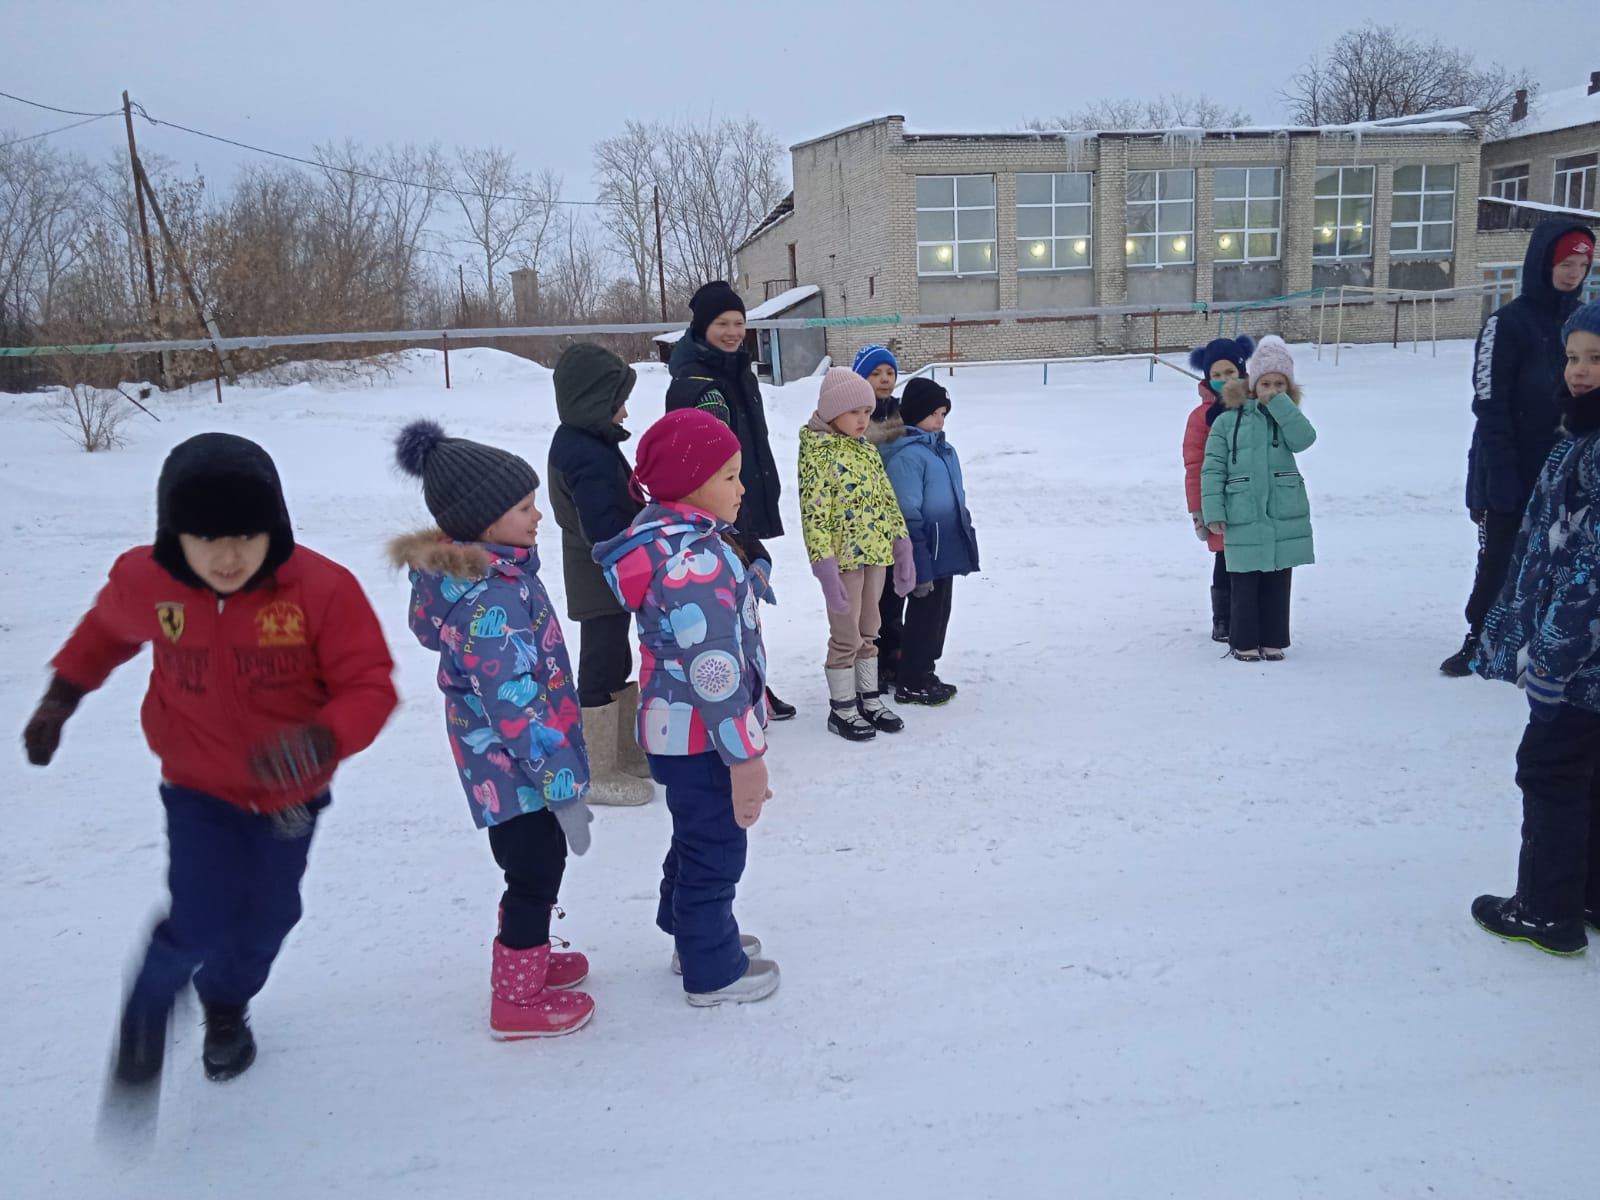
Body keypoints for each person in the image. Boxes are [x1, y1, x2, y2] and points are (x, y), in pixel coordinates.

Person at [21, 433, 398, 1088]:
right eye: (207, 539)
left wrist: (321, 738)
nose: (228, 556)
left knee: (270, 916)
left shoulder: (321, 590)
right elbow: (104, 634)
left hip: (291, 795)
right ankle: (149, 1008)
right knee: (200, 911)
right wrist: (61, 697)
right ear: (175, 536)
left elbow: (369, 684)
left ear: (274, 529)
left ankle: (226, 1002)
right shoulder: (148, 582)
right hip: (198, 787)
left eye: (246, 537)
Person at [391, 420, 597, 1039]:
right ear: (482, 522)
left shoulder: (499, 576)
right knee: (534, 870)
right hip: (516, 770)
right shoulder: (490, 599)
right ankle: (516, 999)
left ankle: (525, 961)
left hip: (509, 768)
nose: (538, 516)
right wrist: (561, 785)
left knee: (532, 867)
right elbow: (517, 709)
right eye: (524, 507)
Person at [592, 408, 781, 1006]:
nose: (742, 487)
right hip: (706, 735)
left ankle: (693, 935)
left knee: (694, 838)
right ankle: (712, 968)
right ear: (689, 485)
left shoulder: (674, 541)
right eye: (729, 476)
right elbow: (716, 672)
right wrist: (745, 758)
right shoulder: (694, 563)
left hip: (676, 732)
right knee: (718, 847)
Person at [1470, 299, 1600, 956]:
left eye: (1596, 357)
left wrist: (1552, 658)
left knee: (1548, 769)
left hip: (1582, 663)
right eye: (1574, 356)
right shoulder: (1580, 433)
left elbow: (1590, 572)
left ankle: (1547, 910)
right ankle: (1586, 892)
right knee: (1589, 769)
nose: (1580, 370)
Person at [1443, 221, 1595, 676]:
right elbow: (1489, 404)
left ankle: (1541, 644)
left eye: (1583, 265)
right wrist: (1503, 472)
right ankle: (1478, 637)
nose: (1573, 273)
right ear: (1542, 263)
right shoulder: (1506, 323)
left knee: (1562, 557)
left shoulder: (1584, 322)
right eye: (1565, 263)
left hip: (1568, 467)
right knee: (1500, 558)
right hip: (1506, 466)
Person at [665, 281, 794, 720]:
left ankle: (753, 678)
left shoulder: (738, 368)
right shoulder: (693, 378)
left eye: (740, 323)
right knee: (721, 600)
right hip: (714, 505)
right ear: (702, 327)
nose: (734, 331)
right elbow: (690, 458)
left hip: (743, 493)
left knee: (745, 596)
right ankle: (732, 687)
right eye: (723, 323)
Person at [547, 342, 653, 806]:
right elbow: (603, 528)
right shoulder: (585, 453)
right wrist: (644, 527)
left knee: (615, 661)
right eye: (618, 401)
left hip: (607, 574)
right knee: (599, 663)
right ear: (595, 400)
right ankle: (594, 768)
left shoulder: (589, 442)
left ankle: (622, 751)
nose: (626, 411)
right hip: (600, 574)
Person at [799, 368, 915, 740]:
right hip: (843, 560)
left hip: (875, 554)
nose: (863, 419)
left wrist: (902, 544)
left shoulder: (867, 451)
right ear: (833, 412)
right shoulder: (817, 451)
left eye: (867, 411)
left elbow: (887, 500)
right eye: (854, 412)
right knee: (846, 635)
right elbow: (813, 513)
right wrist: (824, 566)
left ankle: (868, 696)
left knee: (870, 630)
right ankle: (842, 707)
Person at [1200, 335, 1317, 662]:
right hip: (1242, 510)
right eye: (1266, 382)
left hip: (1282, 509)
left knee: (1278, 578)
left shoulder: (1286, 417)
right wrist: (1213, 510)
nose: (1273, 389)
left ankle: (1274, 638)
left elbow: (1305, 439)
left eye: (1280, 384)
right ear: (1252, 384)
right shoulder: (1227, 420)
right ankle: (1244, 640)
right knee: (1246, 579)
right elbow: (1212, 469)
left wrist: (1280, 406)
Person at [877, 377, 978, 705]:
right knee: (923, 617)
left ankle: (923, 668)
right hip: (923, 552)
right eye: (934, 413)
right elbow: (908, 514)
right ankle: (912, 679)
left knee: (938, 615)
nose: (940, 420)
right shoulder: (907, 456)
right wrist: (917, 563)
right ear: (915, 413)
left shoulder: (943, 450)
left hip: (944, 547)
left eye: (944, 414)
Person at [1184, 336, 1255, 644]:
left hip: (1253, 499)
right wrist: (1198, 510)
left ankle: (1251, 616)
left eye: (1230, 372)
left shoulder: (1256, 408)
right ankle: (1222, 619)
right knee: (1224, 560)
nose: (1224, 380)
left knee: (1254, 561)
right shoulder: (1201, 418)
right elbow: (1194, 465)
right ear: (1206, 378)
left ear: (1242, 372)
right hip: (1219, 501)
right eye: (1216, 375)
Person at [856, 344, 909, 684]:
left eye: (889, 372)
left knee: (895, 593)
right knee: (869, 598)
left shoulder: (905, 413)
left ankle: (894, 658)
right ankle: (868, 660)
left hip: (900, 514)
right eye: (875, 373)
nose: (884, 379)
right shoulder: (854, 416)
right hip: (866, 518)